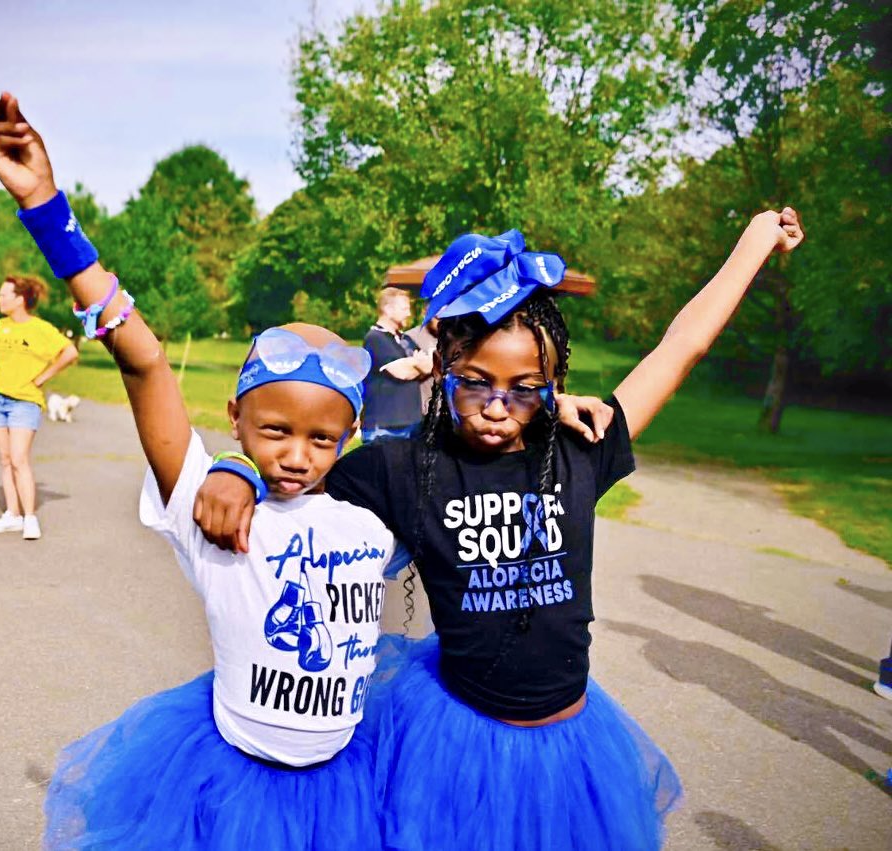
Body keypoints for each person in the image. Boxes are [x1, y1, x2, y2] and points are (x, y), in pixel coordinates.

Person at [194, 213, 806, 849]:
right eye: (475, 384)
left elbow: (681, 348)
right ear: (442, 369)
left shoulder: (579, 447)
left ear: (551, 384)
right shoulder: (401, 468)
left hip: (572, 750)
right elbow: (299, 466)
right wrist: (236, 469)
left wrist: (755, 240)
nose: (495, 407)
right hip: (455, 742)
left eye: (523, 390)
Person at [0, 91, 401, 849]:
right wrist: (47, 208)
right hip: (231, 785)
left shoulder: (374, 511)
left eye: (323, 439)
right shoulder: (203, 500)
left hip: (347, 782)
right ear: (236, 415)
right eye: (273, 431)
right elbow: (141, 361)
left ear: (353, 435)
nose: (297, 455)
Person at [0, 275, 78, 540]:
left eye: (3, 295)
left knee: (19, 458)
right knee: (5, 459)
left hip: (24, 401)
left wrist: (43, 377)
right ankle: (11, 515)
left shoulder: (40, 329)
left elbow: (69, 353)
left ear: (20, 299)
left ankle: (30, 518)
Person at [360, 287, 430, 441]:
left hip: (412, 423)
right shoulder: (375, 338)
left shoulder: (406, 339)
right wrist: (416, 363)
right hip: (385, 427)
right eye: (404, 308)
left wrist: (414, 364)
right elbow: (401, 373)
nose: (409, 313)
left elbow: (429, 366)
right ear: (388, 309)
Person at [404, 314, 438, 415]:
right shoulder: (411, 338)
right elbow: (405, 376)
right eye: (438, 317)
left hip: (451, 411)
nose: (441, 321)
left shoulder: (457, 336)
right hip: (423, 411)